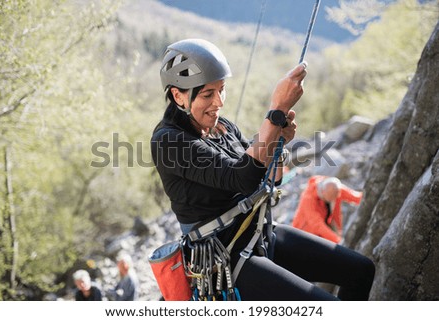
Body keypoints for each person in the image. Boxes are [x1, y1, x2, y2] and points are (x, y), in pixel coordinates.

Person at [151, 38, 374, 300]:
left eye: (221, 90)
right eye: (207, 94)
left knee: (361, 270)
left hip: (259, 232)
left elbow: (271, 179)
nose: (219, 102)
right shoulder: (169, 140)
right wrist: (276, 111)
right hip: (226, 256)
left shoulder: (222, 127)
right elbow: (241, 178)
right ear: (178, 95)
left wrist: (277, 142)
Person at [292, 176, 363, 243]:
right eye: (329, 199)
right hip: (304, 234)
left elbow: (356, 197)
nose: (333, 200)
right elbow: (317, 225)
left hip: (325, 227)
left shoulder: (333, 188)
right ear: (322, 193)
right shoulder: (308, 199)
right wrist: (339, 241)